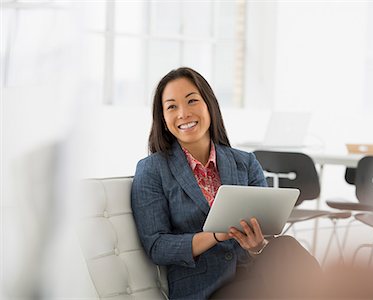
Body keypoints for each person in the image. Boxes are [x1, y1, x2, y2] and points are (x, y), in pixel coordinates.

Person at [131, 67, 321, 299]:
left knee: (285, 247)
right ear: (163, 117)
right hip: (204, 290)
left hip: (252, 276)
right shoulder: (152, 169)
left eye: (192, 101)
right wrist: (214, 236)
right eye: (172, 106)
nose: (183, 113)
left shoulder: (245, 162)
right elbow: (157, 246)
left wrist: (256, 245)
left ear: (209, 105)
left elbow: (268, 233)